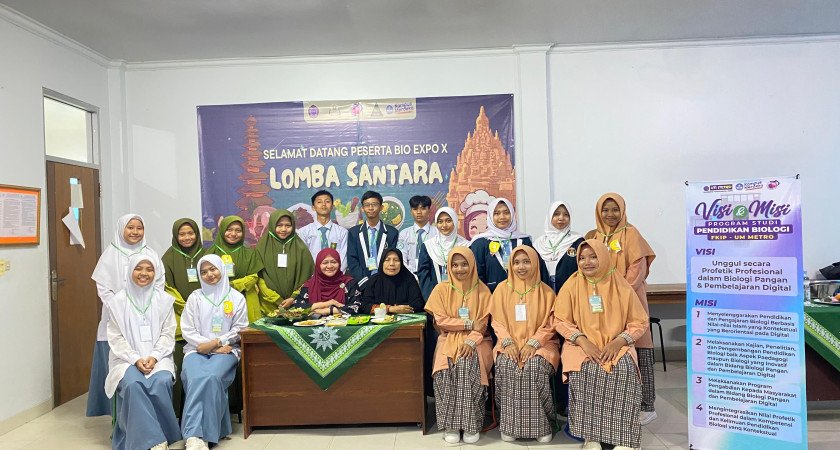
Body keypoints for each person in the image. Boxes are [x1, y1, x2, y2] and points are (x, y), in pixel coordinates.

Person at [554, 240, 649, 450]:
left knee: (623, 370)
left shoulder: (620, 285)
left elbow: (639, 322)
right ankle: (591, 436)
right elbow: (560, 321)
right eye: (581, 258)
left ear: (604, 257)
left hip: (617, 344)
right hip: (581, 345)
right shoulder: (572, 284)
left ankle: (624, 438)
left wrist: (619, 341)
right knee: (585, 370)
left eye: (593, 257)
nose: (587, 262)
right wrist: (582, 341)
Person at [585, 193, 657, 425]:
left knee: (639, 346)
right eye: (605, 210)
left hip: (630, 299)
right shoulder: (593, 236)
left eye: (615, 209)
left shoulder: (631, 234)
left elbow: (637, 270)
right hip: (601, 304)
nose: (610, 214)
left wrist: (617, 295)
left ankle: (647, 405)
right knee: (611, 347)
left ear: (623, 210)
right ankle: (619, 401)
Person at [89, 214, 164, 417]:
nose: (135, 232)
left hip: (147, 317)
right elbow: (103, 289)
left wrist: (145, 307)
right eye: (130, 227)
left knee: (149, 367)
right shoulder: (110, 255)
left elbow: (159, 285)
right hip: (116, 318)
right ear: (121, 229)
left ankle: (148, 415)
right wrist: (121, 309)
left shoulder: (150, 253)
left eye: (139, 228)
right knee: (120, 370)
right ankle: (120, 418)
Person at [105, 254, 180, 450]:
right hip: (125, 359)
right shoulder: (117, 302)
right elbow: (116, 338)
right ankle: (156, 440)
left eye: (149, 269)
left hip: (158, 357)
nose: (144, 273)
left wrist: (154, 356)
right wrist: (135, 359)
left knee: (161, 381)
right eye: (139, 268)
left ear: (156, 273)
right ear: (130, 270)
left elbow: (168, 334)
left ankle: (155, 436)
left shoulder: (164, 300)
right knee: (133, 384)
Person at [489, 245, 559, 443]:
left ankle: (541, 426)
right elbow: (497, 322)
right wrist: (508, 342)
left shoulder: (546, 293)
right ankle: (510, 425)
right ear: (510, 265)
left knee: (534, 367)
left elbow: (551, 325)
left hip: (543, 345)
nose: (521, 267)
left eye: (526, 262)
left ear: (535, 263)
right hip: (508, 343)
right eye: (517, 262)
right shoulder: (501, 290)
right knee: (507, 365)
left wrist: (534, 343)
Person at [424, 247, 493, 444]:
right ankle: (451, 424)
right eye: (455, 265)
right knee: (445, 369)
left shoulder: (482, 290)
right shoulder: (441, 289)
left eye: (464, 264)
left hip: (478, 340)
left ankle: (471, 424)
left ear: (472, 265)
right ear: (449, 267)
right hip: (447, 338)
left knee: (467, 364)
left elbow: (482, 325)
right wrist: (467, 323)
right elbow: (441, 321)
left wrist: (470, 341)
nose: (459, 269)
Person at [180, 255, 248, 450]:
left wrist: (217, 342)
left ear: (221, 269)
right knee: (196, 377)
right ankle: (198, 435)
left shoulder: (236, 298)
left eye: (213, 269)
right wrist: (210, 346)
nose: (209, 274)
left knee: (211, 377)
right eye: (204, 272)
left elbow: (240, 328)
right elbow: (188, 329)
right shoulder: (195, 297)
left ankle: (196, 434)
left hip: (227, 351)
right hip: (195, 350)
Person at [162, 218, 208, 416]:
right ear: (175, 236)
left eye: (191, 233)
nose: (187, 237)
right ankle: (179, 412)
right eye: (182, 234)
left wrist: (202, 307)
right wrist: (188, 307)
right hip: (180, 316)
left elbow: (215, 281)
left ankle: (202, 410)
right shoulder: (168, 258)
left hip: (207, 315)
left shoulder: (207, 255)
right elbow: (167, 288)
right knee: (181, 364)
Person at [470, 198, 549, 292]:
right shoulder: (480, 243)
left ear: (512, 214)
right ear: (490, 216)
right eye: (497, 213)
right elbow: (476, 275)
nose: (502, 217)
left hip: (521, 295)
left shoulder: (523, 240)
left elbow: (538, 270)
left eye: (506, 212)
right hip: (491, 296)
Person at [255, 209, 314, 314]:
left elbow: (308, 276)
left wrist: (294, 297)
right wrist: (276, 299)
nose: (283, 229)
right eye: (279, 225)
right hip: (268, 306)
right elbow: (259, 277)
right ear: (272, 225)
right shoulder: (261, 248)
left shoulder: (301, 249)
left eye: (288, 225)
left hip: (296, 306)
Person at [210, 215, 264, 323]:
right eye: (229, 230)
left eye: (238, 230)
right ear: (222, 230)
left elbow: (254, 277)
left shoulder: (250, 253)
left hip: (246, 300)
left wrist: (233, 285)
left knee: (246, 332)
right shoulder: (211, 253)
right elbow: (206, 278)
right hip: (218, 301)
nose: (233, 234)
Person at [417, 206, 469, 300]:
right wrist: (432, 299)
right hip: (434, 297)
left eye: (448, 221)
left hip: (461, 296)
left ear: (455, 221)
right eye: (440, 222)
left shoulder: (466, 246)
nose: (444, 225)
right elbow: (424, 275)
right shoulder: (429, 246)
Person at [292, 248, 363, 316]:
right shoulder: (309, 285)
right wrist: (327, 304)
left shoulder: (349, 283)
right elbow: (296, 306)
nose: (329, 266)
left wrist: (327, 311)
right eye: (325, 263)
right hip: (313, 323)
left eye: (334, 262)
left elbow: (357, 306)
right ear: (318, 265)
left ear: (339, 263)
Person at [346, 190, 399, 281]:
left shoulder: (392, 233)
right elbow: (352, 260)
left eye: (374, 204)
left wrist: (385, 282)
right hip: (362, 283)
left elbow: (393, 260)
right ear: (362, 208)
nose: (370, 208)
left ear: (381, 207)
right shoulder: (354, 232)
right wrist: (363, 282)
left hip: (385, 282)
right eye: (367, 205)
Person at [534, 200, 585, 293]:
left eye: (566, 215)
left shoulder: (577, 241)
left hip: (570, 291)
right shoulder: (538, 243)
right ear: (550, 216)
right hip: (543, 291)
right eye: (556, 214)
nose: (561, 218)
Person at [355, 248, 424, 315]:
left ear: (401, 263)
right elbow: (365, 306)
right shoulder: (374, 280)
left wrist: (400, 309)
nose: (392, 264)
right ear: (382, 262)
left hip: (405, 321)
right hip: (379, 321)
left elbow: (418, 304)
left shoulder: (409, 279)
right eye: (387, 260)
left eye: (396, 260)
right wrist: (390, 309)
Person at [297, 190, 349, 271]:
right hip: (312, 275)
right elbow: (302, 258)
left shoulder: (342, 232)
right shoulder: (303, 232)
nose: (324, 204)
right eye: (319, 202)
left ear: (332, 206)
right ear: (313, 207)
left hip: (336, 275)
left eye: (327, 201)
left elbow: (344, 258)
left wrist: (335, 275)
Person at [398, 195, 434, 275]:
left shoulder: (437, 233)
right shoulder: (404, 234)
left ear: (429, 210)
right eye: (415, 209)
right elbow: (401, 258)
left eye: (423, 209)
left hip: (431, 276)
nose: (419, 212)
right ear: (411, 212)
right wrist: (410, 276)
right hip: (409, 276)